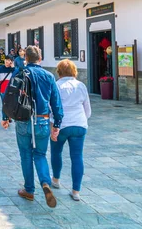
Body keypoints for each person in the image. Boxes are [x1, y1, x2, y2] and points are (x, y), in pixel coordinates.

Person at [1, 46, 63, 209]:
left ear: (25, 59)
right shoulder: (49, 76)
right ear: (40, 58)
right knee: (40, 154)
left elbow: (8, 96)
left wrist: (5, 116)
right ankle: (45, 182)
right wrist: (57, 123)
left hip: (23, 119)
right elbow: (56, 102)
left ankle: (29, 190)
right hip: (42, 120)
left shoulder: (20, 73)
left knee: (26, 154)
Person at [51, 59, 91, 201]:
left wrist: (52, 126)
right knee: (77, 156)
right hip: (79, 124)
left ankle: (55, 180)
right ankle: (76, 191)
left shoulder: (56, 86)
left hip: (61, 124)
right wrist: (82, 120)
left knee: (56, 152)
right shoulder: (81, 86)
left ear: (59, 72)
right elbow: (87, 109)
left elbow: (52, 108)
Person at [0, 54, 15, 122]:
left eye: (9, 60)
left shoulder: (13, 70)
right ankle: (4, 118)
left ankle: (9, 116)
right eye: (6, 60)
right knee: (4, 104)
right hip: (3, 90)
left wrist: (13, 68)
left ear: (11, 62)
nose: (7, 61)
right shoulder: (0, 69)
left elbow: (17, 76)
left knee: (11, 104)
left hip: (11, 91)